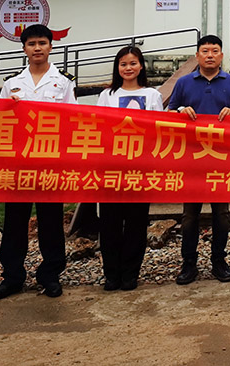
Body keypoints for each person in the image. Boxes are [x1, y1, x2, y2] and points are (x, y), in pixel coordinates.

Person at [0, 24, 76, 301]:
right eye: (31, 44)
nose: (37, 48)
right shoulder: (12, 83)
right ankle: (12, 277)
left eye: (42, 43)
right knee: (15, 221)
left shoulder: (63, 82)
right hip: (19, 163)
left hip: (50, 161)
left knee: (50, 221)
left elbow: (72, 120)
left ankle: (50, 274)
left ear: (51, 46)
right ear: (24, 48)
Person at [167, 34, 230, 285]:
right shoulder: (183, 83)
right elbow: (169, 113)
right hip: (191, 159)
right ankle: (188, 263)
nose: (210, 55)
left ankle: (219, 260)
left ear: (221, 55)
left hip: (221, 159)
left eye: (214, 51)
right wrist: (181, 111)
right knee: (190, 215)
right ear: (197, 56)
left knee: (221, 214)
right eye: (205, 51)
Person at [96, 45, 164, 291]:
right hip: (112, 167)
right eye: (123, 64)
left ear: (141, 66)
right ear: (117, 68)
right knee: (110, 223)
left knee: (136, 222)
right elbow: (99, 127)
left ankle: (130, 273)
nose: (128, 68)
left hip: (141, 168)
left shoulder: (152, 95)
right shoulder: (107, 95)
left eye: (133, 63)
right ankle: (111, 274)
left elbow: (159, 128)